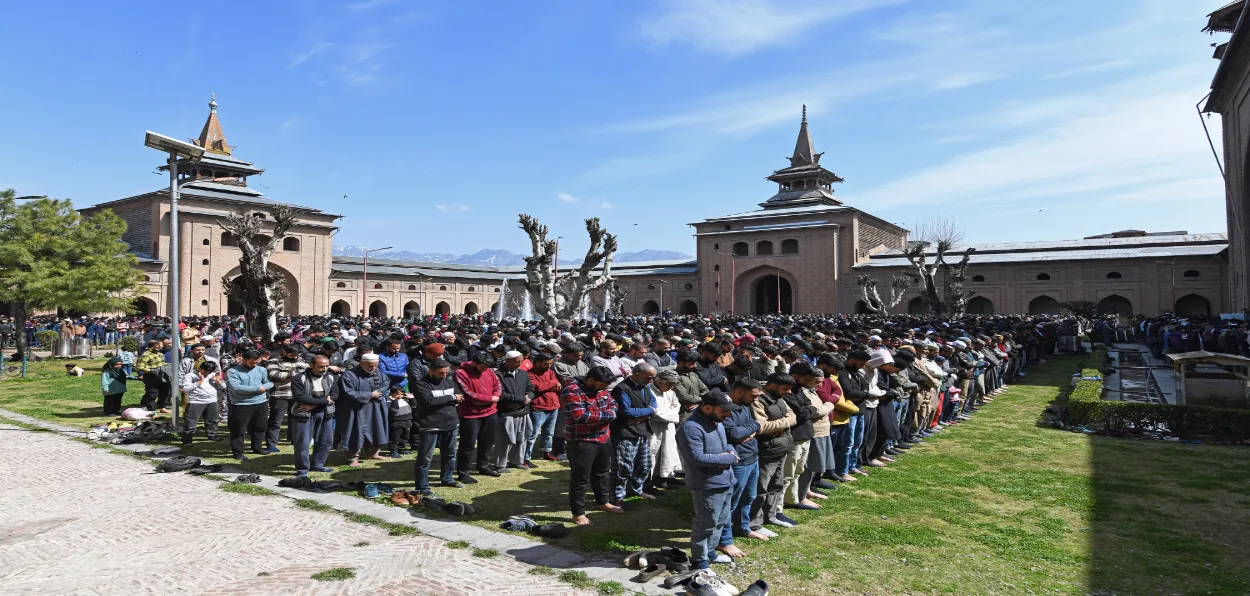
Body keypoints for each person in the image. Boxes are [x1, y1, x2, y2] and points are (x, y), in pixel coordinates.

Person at [676, 390, 740, 570]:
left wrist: (731, 452)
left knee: (720, 520)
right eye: (724, 411)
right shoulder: (690, 428)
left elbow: (725, 444)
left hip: (726, 480)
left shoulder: (716, 421)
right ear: (708, 407)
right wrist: (728, 459)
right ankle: (699, 561)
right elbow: (697, 458)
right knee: (706, 523)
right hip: (707, 484)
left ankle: (709, 552)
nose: (728, 415)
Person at [562, 365, 621, 526]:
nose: (603, 390)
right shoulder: (572, 390)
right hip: (582, 441)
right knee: (580, 478)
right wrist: (608, 416)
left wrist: (607, 414)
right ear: (590, 380)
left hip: (603, 438)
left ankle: (603, 502)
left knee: (602, 473)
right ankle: (578, 513)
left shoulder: (602, 389)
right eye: (601, 386)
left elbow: (613, 404)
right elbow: (580, 416)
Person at [720, 377, 766, 555]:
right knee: (730, 502)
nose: (756, 400)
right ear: (739, 391)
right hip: (738, 461)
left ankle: (743, 528)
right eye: (753, 396)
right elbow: (735, 434)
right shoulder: (724, 406)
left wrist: (752, 427)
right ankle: (725, 540)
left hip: (752, 457)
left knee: (749, 497)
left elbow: (755, 425)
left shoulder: (746, 405)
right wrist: (751, 428)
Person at [750, 372, 798, 533]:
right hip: (767, 450)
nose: (789, 392)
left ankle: (770, 516)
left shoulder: (779, 398)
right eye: (786, 388)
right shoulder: (758, 400)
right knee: (761, 487)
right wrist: (784, 424)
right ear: (772, 385)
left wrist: (779, 424)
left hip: (781, 447)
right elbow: (761, 426)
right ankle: (754, 522)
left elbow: (793, 416)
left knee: (777, 484)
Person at [412, 358, 463, 493]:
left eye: (446, 373)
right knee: (425, 457)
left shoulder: (449, 381)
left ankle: (447, 478)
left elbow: (459, 395)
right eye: (441, 373)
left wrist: (449, 399)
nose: (444, 376)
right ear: (431, 371)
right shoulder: (421, 384)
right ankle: (422, 486)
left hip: (451, 423)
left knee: (450, 453)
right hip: (431, 425)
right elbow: (429, 402)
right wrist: (451, 398)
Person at [611, 362, 659, 503]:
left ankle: (635, 489)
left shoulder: (645, 387)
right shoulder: (622, 389)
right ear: (636, 375)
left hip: (642, 430)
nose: (651, 381)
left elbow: (653, 402)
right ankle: (617, 496)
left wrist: (645, 413)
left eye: (653, 378)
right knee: (623, 467)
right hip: (625, 432)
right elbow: (625, 411)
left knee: (644, 464)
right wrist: (650, 411)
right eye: (648, 378)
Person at [455, 352, 503, 481]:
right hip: (470, 414)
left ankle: (483, 466)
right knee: (468, 444)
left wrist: (495, 397)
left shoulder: (489, 371)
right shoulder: (461, 373)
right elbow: (468, 394)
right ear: (474, 363)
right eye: (482, 367)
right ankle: (464, 472)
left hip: (490, 412)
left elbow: (497, 385)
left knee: (487, 442)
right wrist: (490, 399)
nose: (485, 370)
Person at [289, 354, 339, 476]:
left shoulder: (331, 377)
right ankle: (302, 469)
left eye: (327, 366)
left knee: (326, 440)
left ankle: (318, 465)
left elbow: (335, 395)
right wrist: (324, 401)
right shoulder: (299, 378)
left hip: (325, 412)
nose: (325, 369)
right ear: (311, 365)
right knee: (303, 443)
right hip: (303, 413)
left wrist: (315, 404)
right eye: (321, 366)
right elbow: (300, 397)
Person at [337, 352, 390, 467]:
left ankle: (372, 453)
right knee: (355, 432)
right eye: (371, 366)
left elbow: (386, 383)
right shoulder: (349, 375)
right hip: (357, 409)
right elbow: (348, 392)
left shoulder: (378, 372)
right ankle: (353, 457)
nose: (373, 368)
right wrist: (369, 395)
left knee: (377, 429)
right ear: (361, 363)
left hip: (376, 407)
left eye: (376, 366)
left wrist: (378, 393)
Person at [225, 349, 273, 461]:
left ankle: (257, 447)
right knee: (239, 430)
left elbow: (269, 382)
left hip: (261, 402)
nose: (255, 365)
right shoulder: (233, 372)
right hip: (241, 404)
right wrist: (258, 388)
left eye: (257, 362)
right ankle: (238, 452)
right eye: (252, 363)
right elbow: (237, 388)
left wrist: (264, 387)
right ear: (244, 359)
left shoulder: (261, 369)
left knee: (260, 427)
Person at [496, 350, 535, 470]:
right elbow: (500, 394)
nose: (519, 364)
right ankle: (500, 464)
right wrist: (520, 399)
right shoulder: (499, 375)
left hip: (523, 411)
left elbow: (531, 389)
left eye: (521, 361)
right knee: (505, 439)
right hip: (507, 411)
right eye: (517, 361)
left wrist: (528, 398)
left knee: (521, 437)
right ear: (508, 361)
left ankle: (517, 460)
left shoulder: (523, 373)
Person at [264, 345, 308, 453]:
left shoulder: (301, 360)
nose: (295, 357)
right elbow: (274, 375)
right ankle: (271, 444)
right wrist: (295, 374)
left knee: (295, 419)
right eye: (292, 355)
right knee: (275, 421)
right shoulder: (274, 362)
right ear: (284, 352)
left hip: (297, 395)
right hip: (280, 394)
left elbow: (308, 372)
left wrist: (289, 375)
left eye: (297, 355)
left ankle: (294, 440)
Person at [648, 369, 683, 490]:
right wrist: (670, 416)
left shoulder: (670, 392)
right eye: (668, 384)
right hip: (654, 428)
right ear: (659, 381)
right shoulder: (648, 390)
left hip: (668, 427)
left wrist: (668, 415)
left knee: (668, 452)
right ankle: (649, 481)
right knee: (653, 453)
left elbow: (676, 406)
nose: (670, 387)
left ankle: (664, 477)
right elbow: (653, 412)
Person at [527, 352, 561, 464]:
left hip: (554, 405)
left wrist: (549, 384)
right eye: (546, 363)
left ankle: (546, 451)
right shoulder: (530, 374)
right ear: (537, 363)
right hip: (539, 407)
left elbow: (557, 387)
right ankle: (526, 457)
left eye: (550, 363)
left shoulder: (551, 372)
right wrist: (552, 383)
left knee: (549, 432)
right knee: (533, 433)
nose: (549, 366)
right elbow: (537, 387)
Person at [180, 360, 222, 444]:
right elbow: (185, 389)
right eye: (205, 371)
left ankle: (212, 435)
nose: (207, 373)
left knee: (212, 420)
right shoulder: (190, 376)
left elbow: (223, 387)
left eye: (209, 372)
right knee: (190, 422)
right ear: (200, 368)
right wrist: (198, 382)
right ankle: (187, 440)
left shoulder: (212, 375)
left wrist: (218, 382)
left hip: (211, 400)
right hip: (196, 401)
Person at [134, 340, 166, 411]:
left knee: (162, 391)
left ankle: (145, 402)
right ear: (154, 346)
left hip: (161, 375)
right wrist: (151, 370)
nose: (161, 346)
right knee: (153, 392)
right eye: (159, 345)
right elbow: (139, 367)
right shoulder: (146, 355)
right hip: (150, 376)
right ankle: (151, 408)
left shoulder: (160, 354)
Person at [387, 385, 413, 457]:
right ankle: (393, 451)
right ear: (391, 394)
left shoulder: (405, 400)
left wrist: (412, 399)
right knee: (395, 437)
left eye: (401, 394)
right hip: (396, 422)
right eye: (397, 394)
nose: (400, 396)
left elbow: (414, 406)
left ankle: (401, 448)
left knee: (405, 437)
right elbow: (393, 410)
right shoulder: (390, 402)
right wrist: (394, 401)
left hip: (407, 421)